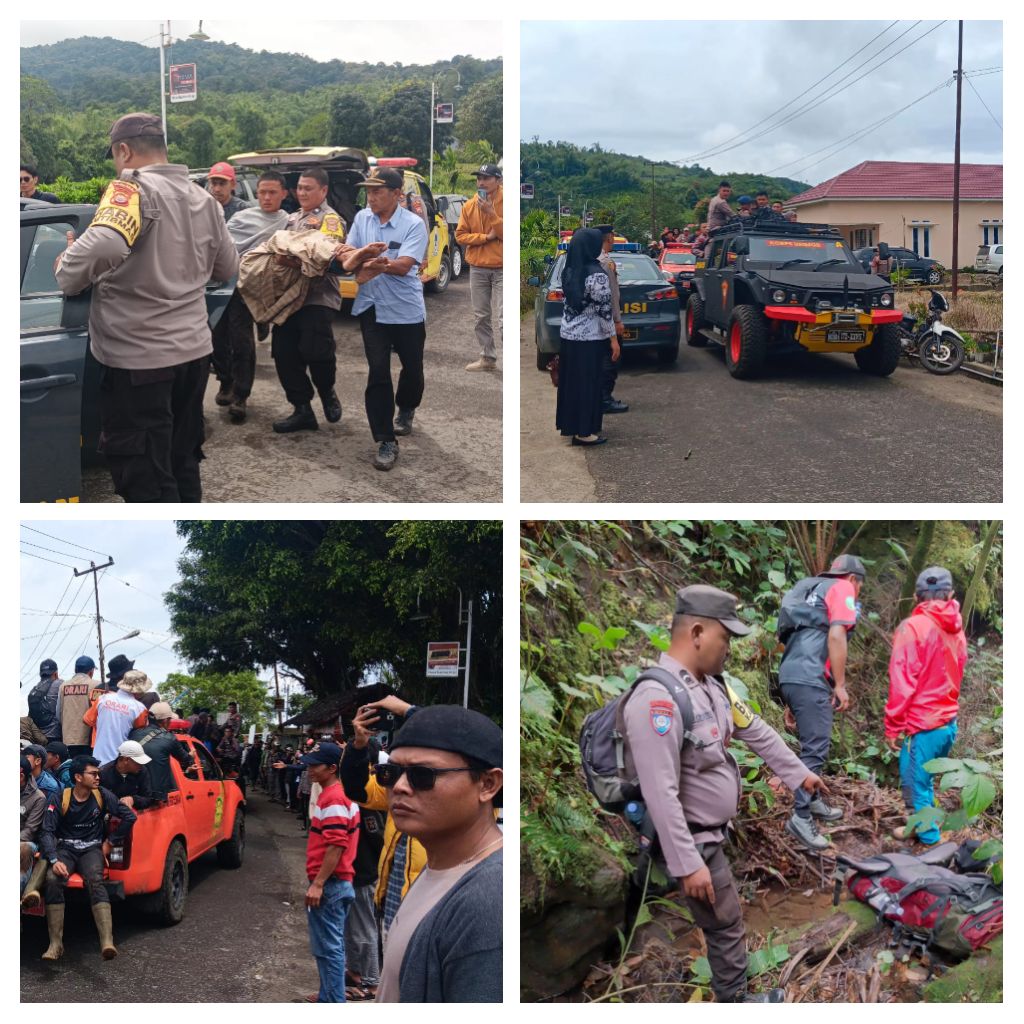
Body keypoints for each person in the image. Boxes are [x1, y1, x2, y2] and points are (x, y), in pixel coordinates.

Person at [623, 584, 830, 1003]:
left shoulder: (714, 687)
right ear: (697, 632)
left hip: (710, 833)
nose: (729, 648)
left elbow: (757, 731)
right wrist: (686, 864)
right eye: (725, 637)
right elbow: (660, 792)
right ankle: (735, 1003)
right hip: (690, 840)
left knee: (723, 920)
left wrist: (799, 774)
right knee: (725, 922)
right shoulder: (656, 701)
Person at [54, 112, 239, 502]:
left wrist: (68, 265)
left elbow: (104, 246)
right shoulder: (204, 198)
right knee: (181, 459)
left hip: (139, 362)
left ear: (123, 150)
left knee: (146, 478)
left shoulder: (132, 190)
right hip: (193, 354)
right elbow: (227, 268)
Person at [374, 705, 503, 1003]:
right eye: (390, 773)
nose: (400, 787)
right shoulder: (440, 867)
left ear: (487, 784)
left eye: (423, 775)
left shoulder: (487, 901)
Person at [777, 554, 865, 851]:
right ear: (853, 579)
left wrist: (792, 699)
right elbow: (837, 634)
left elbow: (797, 638)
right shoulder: (843, 589)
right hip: (809, 676)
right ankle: (800, 818)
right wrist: (839, 684)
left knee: (810, 741)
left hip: (791, 673)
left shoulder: (810, 589)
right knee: (816, 747)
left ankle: (812, 800)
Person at [346, 168, 430, 471]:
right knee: (378, 371)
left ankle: (406, 408)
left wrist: (367, 261)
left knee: (412, 367)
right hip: (371, 307)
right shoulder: (361, 219)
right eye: (368, 191)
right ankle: (385, 440)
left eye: (378, 191)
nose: (371, 197)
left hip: (406, 309)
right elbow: (348, 253)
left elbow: (404, 265)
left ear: (397, 194)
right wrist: (362, 258)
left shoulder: (414, 225)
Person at [886, 566, 968, 846]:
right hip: (947, 724)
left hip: (922, 725)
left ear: (915, 597)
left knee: (914, 784)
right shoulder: (956, 630)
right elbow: (959, 670)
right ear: (951, 595)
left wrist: (893, 726)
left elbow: (901, 682)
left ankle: (930, 844)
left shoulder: (912, 627)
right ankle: (918, 825)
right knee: (925, 780)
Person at [269, 167, 347, 435]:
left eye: (308, 188)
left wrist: (287, 259)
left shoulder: (331, 220)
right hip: (289, 298)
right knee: (283, 352)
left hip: (318, 295)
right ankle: (302, 409)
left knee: (316, 350)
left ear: (323, 191)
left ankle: (327, 392)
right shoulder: (290, 219)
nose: (302, 192)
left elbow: (324, 258)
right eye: (300, 188)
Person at [39, 754, 137, 960]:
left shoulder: (102, 795)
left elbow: (129, 816)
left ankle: (107, 942)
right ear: (78, 777)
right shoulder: (60, 797)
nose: (97, 777)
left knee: (95, 880)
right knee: (52, 879)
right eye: (92, 774)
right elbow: (46, 832)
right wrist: (54, 860)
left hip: (92, 849)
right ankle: (55, 944)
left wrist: (110, 842)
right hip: (65, 849)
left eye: (98, 773)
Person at [212, 171, 291, 423]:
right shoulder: (242, 216)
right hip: (223, 282)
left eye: (272, 193)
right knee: (216, 337)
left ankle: (240, 395)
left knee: (242, 341)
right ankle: (225, 382)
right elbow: (223, 244)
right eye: (262, 193)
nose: (266, 198)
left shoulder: (287, 222)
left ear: (284, 194)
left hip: (251, 287)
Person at [298, 741, 361, 1003]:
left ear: (332, 768)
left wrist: (319, 883)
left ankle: (334, 1002)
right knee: (328, 948)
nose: (310, 770)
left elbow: (336, 844)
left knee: (330, 949)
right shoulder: (336, 794)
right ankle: (328, 998)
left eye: (315, 765)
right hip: (336, 883)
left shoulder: (334, 797)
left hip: (332, 884)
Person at [555, 228, 615, 447]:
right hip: (590, 339)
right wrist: (613, 338)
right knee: (589, 384)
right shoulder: (596, 274)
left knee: (571, 384)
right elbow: (605, 312)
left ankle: (571, 426)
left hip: (568, 337)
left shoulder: (569, 270)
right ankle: (584, 432)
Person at [456, 163, 503, 372]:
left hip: (503, 267)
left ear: (498, 180)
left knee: (505, 318)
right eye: (479, 178)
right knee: (481, 316)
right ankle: (487, 357)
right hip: (478, 267)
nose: (481, 182)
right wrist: (485, 237)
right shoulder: (469, 205)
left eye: (486, 178)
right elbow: (460, 235)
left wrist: (491, 214)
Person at [129, 701, 195, 799]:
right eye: (169, 720)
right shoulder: (169, 738)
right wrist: (191, 756)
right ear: (165, 721)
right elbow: (186, 760)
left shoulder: (133, 733)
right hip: (156, 796)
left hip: (134, 792)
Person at [86, 668, 150, 764]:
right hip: (121, 763)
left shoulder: (103, 699)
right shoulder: (139, 709)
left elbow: (87, 720)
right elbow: (139, 734)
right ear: (138, 690)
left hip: (98, 759)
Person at [596, 225, 628, 414]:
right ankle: (605, 399)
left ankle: (602, 397)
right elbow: (612, 295)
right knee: (611, 359)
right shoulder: (606, 262)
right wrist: (617, 321)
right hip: (608, 320)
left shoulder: (592, 258)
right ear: (610, 238)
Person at [56, 655, 98, 756]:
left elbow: (58, 714)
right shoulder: (95, 685)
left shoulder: (63, 686)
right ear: (91, 671)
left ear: (75, 670)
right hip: (87, 739)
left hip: (67, 739)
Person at [99, 740, 157, 810]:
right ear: (126, 760)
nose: (141, 765)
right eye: (138, 762)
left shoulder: (142, 771)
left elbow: (148, 798)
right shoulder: (103, 774)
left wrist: (133, 800)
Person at [28, 658, 63, 741]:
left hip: (38, 736)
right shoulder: (59, 683)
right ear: (56, 674)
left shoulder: (35, 688)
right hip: (54, 735)